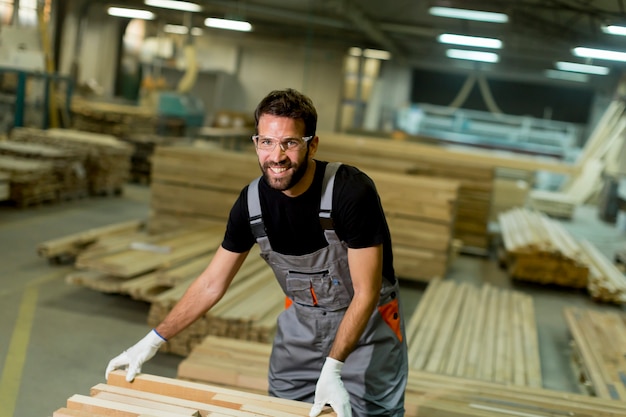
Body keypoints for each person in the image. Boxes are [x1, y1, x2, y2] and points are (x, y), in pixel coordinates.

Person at [105, 88, 408, 417]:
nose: (276, 156)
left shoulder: (349, 193)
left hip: (366, 328)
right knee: (282, 410)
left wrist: (334, 367)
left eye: (289, 143)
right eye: (266, 142)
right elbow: (211, 284)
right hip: (301, 329)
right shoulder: (251, 205)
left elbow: (366, 292)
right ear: (255, 143)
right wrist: (151, 340)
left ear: (312, 144)